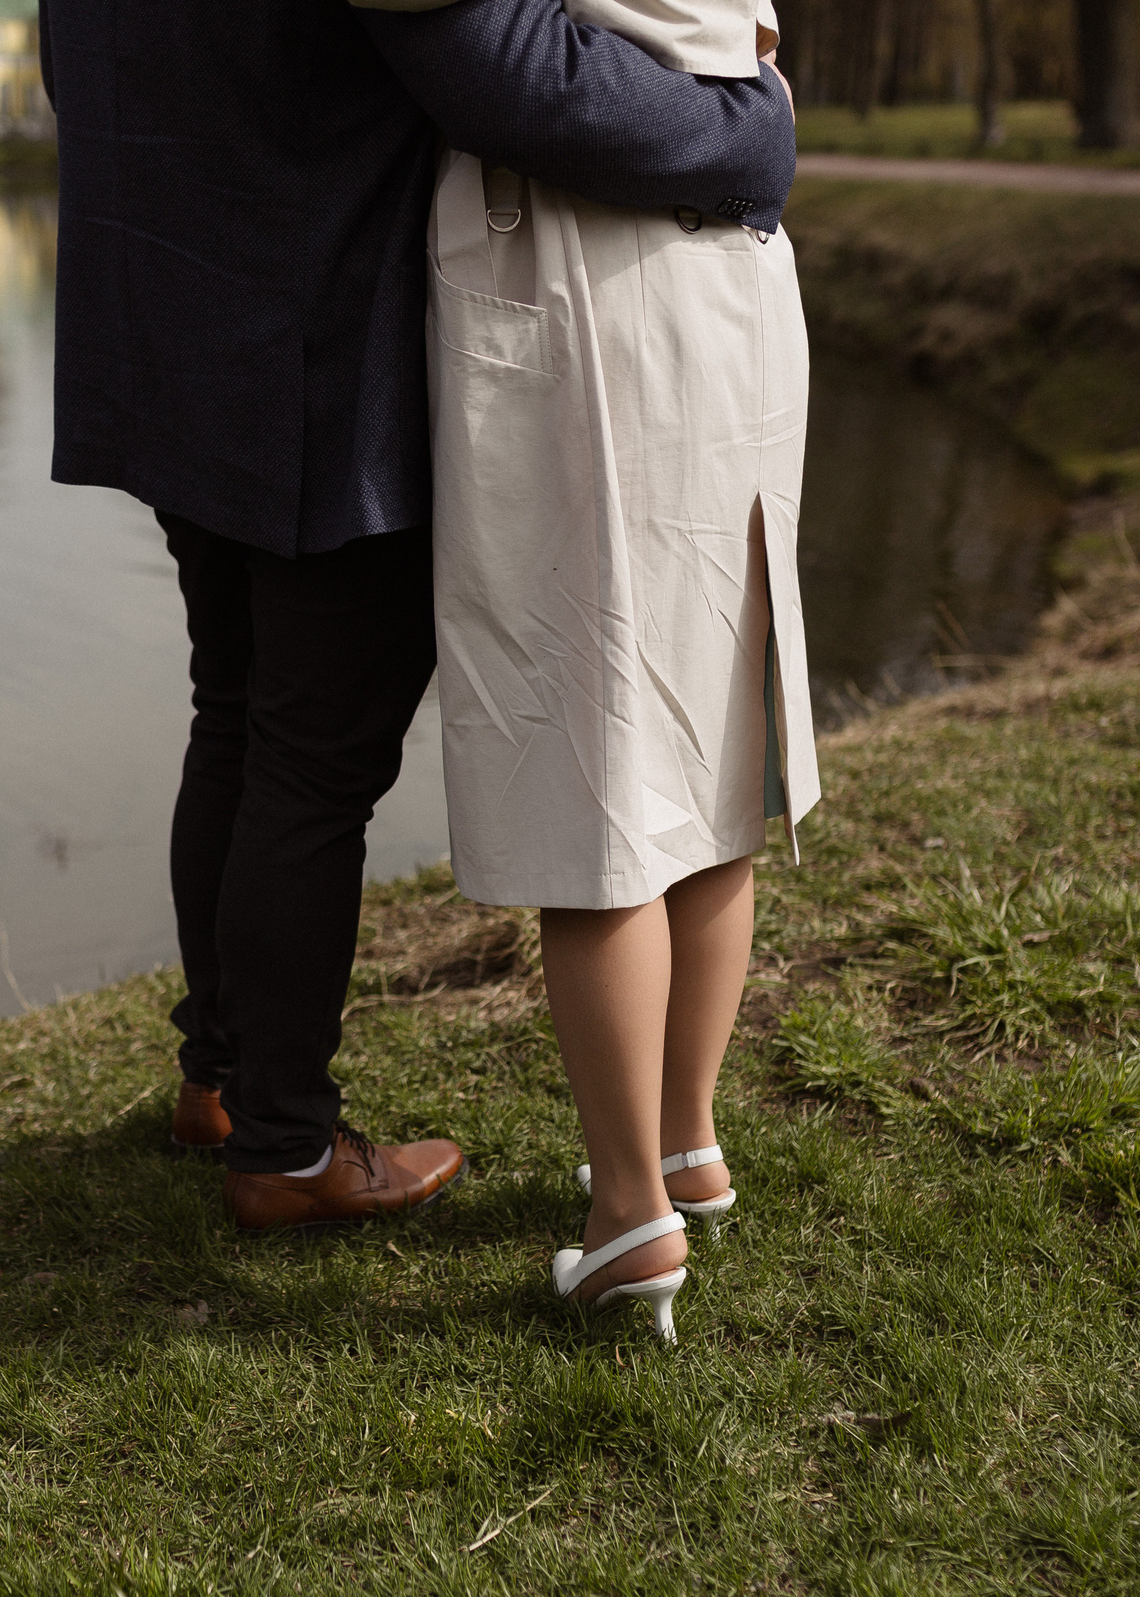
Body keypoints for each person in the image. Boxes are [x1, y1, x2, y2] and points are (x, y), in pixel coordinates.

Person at [38, 0, 797, 1232]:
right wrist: (745, 135)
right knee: (311, 758)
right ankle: (283, 1146)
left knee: (234, 709)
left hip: (168, 325)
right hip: (322, 340)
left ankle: (222, 1080)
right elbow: (511, 77)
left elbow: (75, 74)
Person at [348, 0, 815, 1335]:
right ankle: (686, 1144)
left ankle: (629, 1212)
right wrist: (753, 126)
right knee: (708, 737)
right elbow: (755, 51)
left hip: (583, 290)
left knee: (593, 756)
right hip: (736, 292)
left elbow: (485, 65)